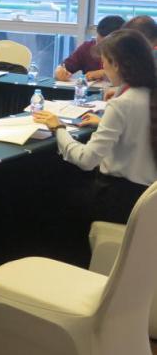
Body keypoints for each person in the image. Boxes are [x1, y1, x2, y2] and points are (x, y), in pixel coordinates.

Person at [33, 29, 157, 225]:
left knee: (50, 191)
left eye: (104, 61)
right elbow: (139, 130)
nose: (103, 67)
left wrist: (58, 128)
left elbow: (87, 160)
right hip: (146, 199)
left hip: (118, 199)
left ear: (116, 64)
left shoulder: (122, 103)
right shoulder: (148, 93)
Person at [54, 14, 124, 81]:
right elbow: (65, 66)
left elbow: (129, 75)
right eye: (100, 45)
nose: (103, 52)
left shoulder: (127, 52)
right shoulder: (87, 48)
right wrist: (60, 71)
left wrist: (104, 73)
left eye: (107, 47)